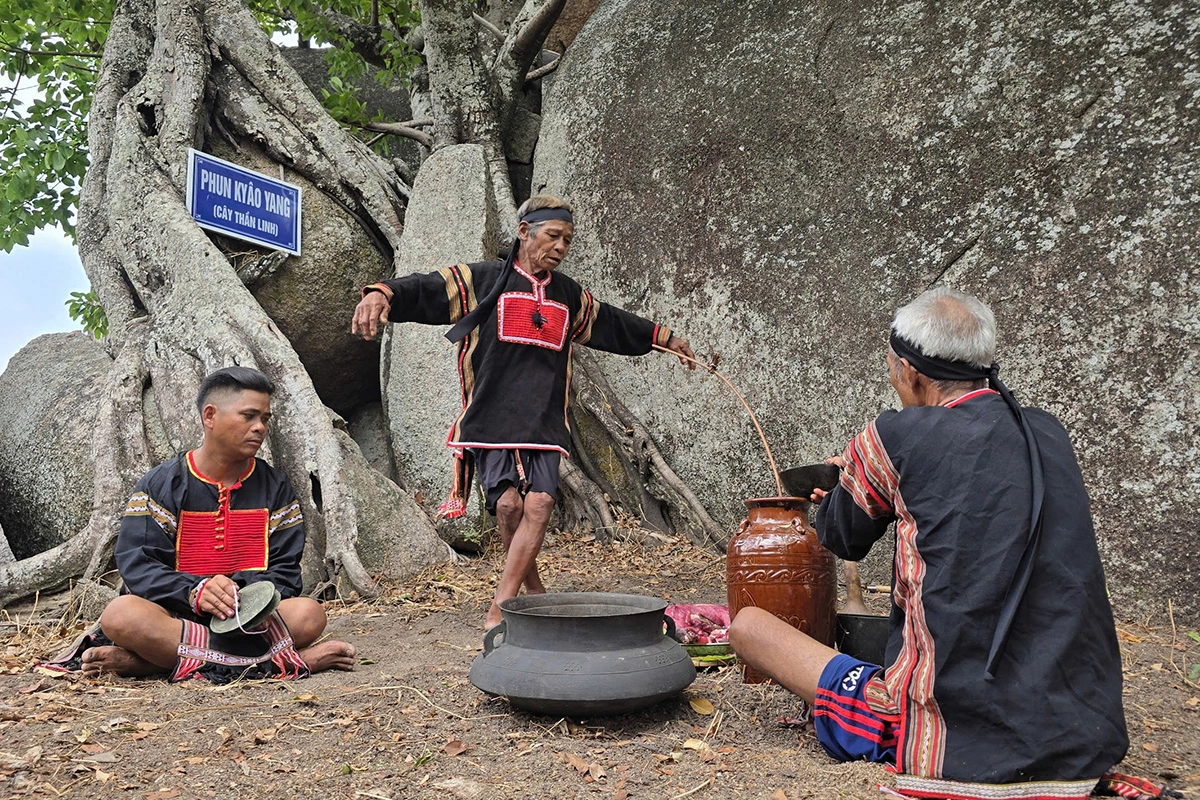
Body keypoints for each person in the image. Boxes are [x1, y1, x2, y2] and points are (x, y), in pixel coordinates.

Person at [729, 287, 1129, 800]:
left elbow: (841, 536)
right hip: (1080, 732)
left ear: (909, 372)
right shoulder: (1047, 433)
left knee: (749, 628)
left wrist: (837, 488)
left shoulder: (896, 435)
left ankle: (897, 716)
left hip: (956, 734)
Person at [351, 194, 695, 629]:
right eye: (553, 236)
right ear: (524, 231)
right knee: (510, 507)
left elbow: (611, 322)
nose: (560, 247)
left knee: (542, 502)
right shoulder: (482, 280)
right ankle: (534, 593)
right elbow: (427, 288)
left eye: (568, 240)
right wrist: (383, 293)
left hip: (544, 419)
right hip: (493, 413)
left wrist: (663, 337)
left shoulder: (568, 295)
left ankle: (501, 607)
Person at [74, 367, 356, 681]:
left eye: (265, 418)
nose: (259, 427)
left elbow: (286, 570)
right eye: (249, 416)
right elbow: (138, 565)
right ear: (210, 416)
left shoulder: (275, 487)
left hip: (248, 620)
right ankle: (282, 661)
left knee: (309, 614)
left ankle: (155, 663)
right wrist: (196, 592)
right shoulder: (162, 484)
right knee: (121, 616)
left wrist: (241, 599)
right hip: (176, 616)